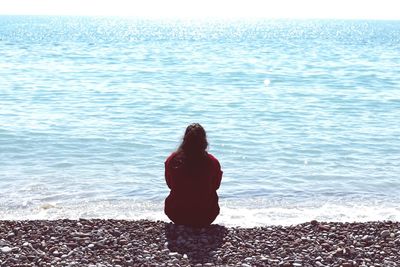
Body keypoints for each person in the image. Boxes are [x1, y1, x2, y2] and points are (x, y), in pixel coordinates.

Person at [164, 123, 223, 227]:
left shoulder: (172, 160)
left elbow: (170, 185)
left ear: (184, 140)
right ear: (204, 141)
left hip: (176, 214)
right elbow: (216, 186)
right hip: (206, 216)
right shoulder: (212, 162)